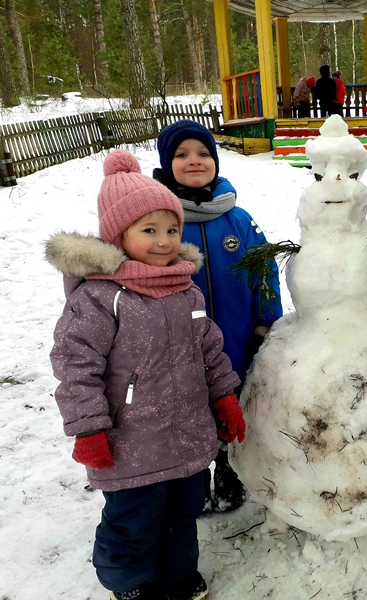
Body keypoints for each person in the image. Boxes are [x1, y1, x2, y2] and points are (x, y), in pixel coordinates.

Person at [47, 149, 246, 600]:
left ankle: (177, 576)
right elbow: (75, 366)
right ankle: (131, 584)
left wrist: (225, 397)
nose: (164, 241)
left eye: (172, 230)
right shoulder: (100, 298)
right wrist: (89, 428)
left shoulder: (183, 287)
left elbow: (209, 350)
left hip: (186, 432)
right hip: (130, 441)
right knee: (134, 519)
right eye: (149, 230)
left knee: (182, 512)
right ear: (119, 236)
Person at [154, 120, 283, 513]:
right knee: (186, 407)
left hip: (235, 336)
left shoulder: (238, 219)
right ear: (165, 162)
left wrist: (265, 320)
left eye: (203, 153)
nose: (195, 161)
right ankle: (192, 477)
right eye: (182, 154)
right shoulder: (158, 220)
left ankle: (230, 467)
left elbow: (264, 271)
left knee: (234, 400)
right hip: (175, 342)